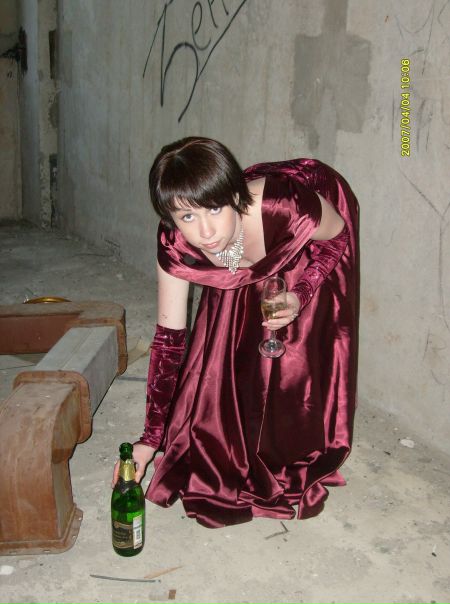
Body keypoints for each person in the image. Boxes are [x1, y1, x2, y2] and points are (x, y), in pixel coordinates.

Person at [113, 136, 359, 528]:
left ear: (234, 196)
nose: (205, 231)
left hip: (314, 226)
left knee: (301, 344)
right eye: (186, 216)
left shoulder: (284, 206)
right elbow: (168, 342)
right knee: (232, 334)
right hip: (248, 242)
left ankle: (297, 437)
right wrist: (150, 438)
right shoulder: (176, 247)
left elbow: (338, 236)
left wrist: (301, 294)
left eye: (214, 208)